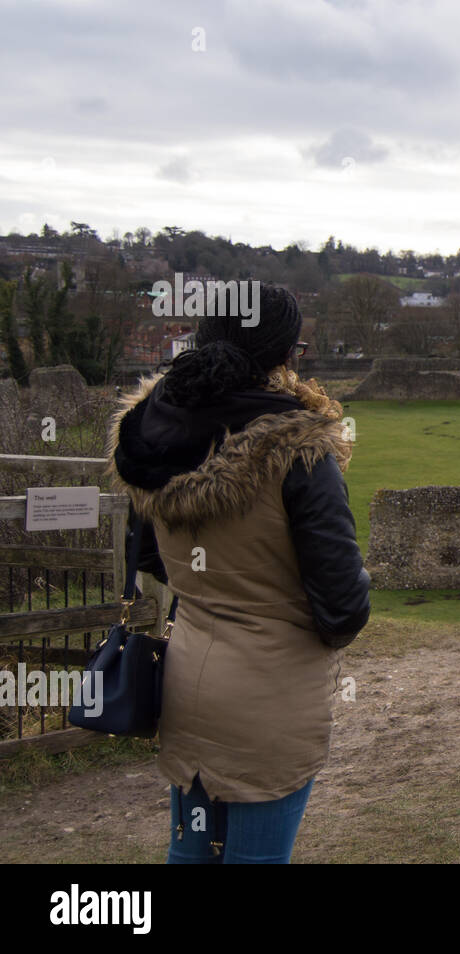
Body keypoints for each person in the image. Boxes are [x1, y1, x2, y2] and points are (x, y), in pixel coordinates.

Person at [106, 284, 369, 864]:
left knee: (192, 855)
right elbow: (343, 606)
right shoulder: (299, 449)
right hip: (270, 694)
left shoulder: (152, 432)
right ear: (286, 355)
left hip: (187, 679)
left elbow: (148, 558)